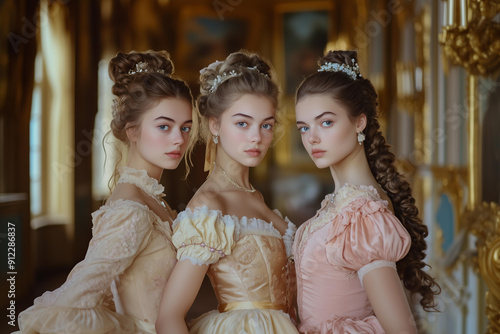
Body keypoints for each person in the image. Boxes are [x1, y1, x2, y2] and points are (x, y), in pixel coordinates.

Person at [16, 50, 197, 334]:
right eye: (164, 126)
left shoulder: (149, 198)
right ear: (132, 131)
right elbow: (75, 301)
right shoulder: (131, 209)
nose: (179, 139)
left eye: (185, 128)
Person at [292, 50, 441, 334]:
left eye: (326, 122)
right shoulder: (343, 204)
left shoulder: (362, 212)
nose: (311, 138)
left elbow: (402, 330)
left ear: (359, 122)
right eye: (303, 127)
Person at [155, 50, 299, 334]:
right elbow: (168, 317)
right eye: (242, 123)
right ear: (215, 125)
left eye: (266, 125)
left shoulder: (255, 197)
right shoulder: (210, 205)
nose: (256, 137)